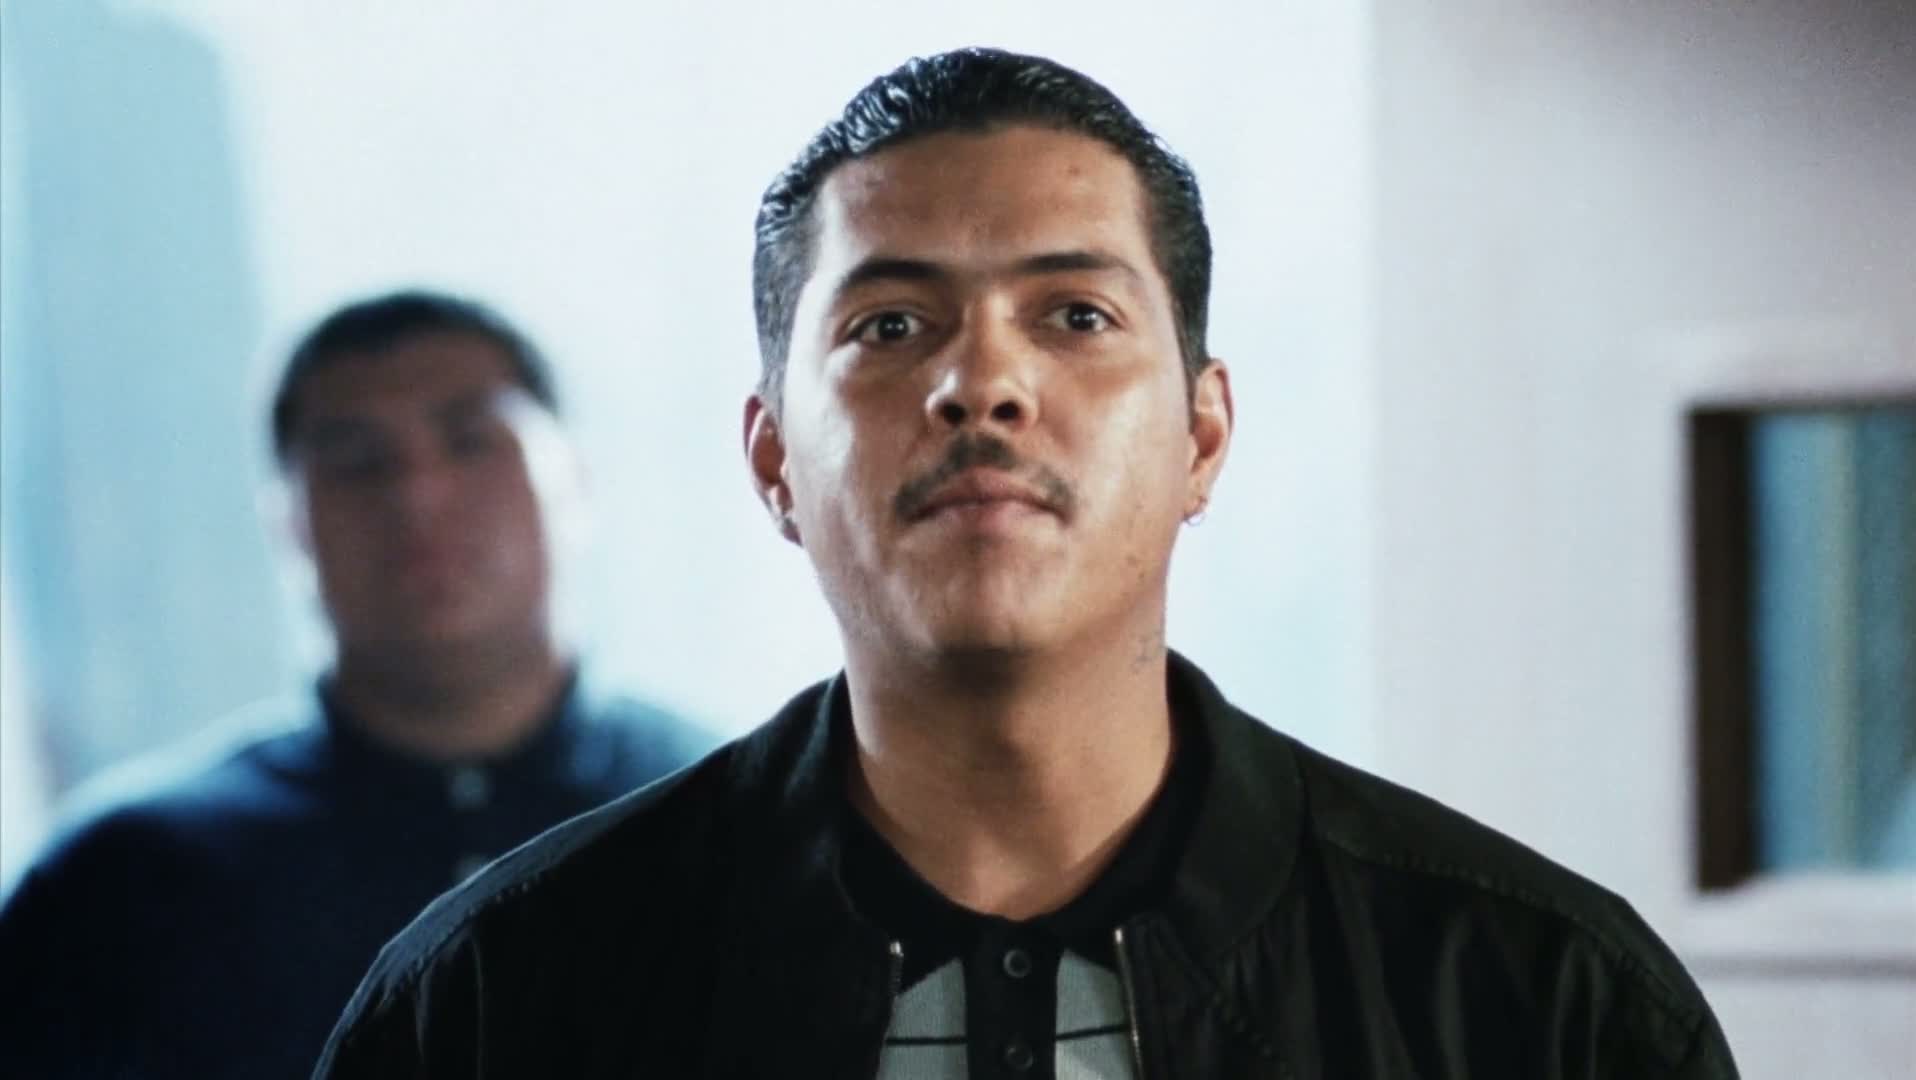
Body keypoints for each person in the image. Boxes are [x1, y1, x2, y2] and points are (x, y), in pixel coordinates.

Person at [313, 52, 1740, 1078]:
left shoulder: (1537, 1000)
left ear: (1201, 434)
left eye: (1073, 316)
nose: (980, 385)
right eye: (889, 328)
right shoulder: (492, 1005)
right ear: (773, 460)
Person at [0, 290, 714, 1079]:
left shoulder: (739, 821)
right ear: (287, 520)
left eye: (470, 440)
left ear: (573, 478)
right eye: (357, 461)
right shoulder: (120, 888)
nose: (416, 495)